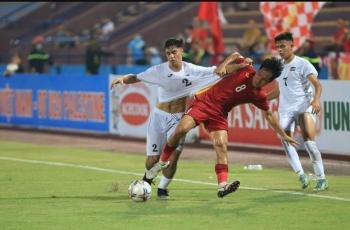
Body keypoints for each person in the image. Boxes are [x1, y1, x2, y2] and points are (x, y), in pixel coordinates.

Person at [146, 53, 298, 198]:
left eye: (265, 80)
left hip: (219, 114)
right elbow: (236, 55)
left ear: (270, 81)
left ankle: (222, 186)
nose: (260, 80)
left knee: (221, 145)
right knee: (181, 129)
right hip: (203, 103)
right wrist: (223, 65)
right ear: (259, 70)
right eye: (260, 75)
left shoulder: (259, 95)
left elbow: (269, 115)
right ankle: (162, 162)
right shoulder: (245, 68)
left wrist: (283, 135)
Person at [110, 38, 245, 199]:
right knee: (152, 159)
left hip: (178, 119)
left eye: (174, 52)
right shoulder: (158, 71)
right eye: (168, 53)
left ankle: (162, 188)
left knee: (172, 159)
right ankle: (147, 180)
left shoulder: (192, 69)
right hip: (158, 117)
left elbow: (219, 71)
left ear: (181, 51)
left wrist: (241, 66)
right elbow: (137, 77)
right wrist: (122, 80)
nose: (171, 56)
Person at [267, 32, 328, 191]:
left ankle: (321, 178)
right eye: (278, 47)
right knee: (286, 140)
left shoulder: (303, 64)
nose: (280, 50)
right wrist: (262, 98)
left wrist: (315, 100)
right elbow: (277, 90)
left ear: (292, 45)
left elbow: (318, 85)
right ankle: (301, 175)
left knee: (309, 142)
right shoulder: (278, 66)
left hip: (304, 107)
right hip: (286, 110)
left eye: (283, 46)